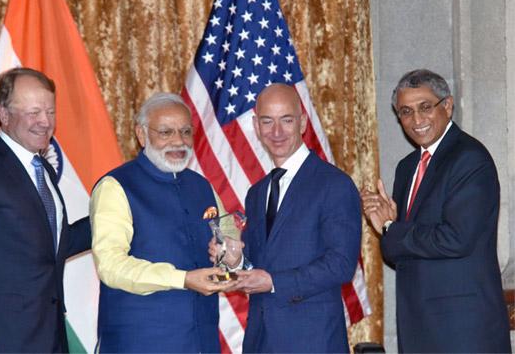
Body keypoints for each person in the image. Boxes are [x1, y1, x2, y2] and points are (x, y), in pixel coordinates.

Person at [361, 69, 511, 353]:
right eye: (406, 111)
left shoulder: (469, 158)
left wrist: (394, 228)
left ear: (448, 106)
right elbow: (394, 253)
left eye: (425, 107)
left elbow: (456, 238)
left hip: (464, 332)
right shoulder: (407, 168)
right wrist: (386, 227)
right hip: (419, 328)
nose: (416, 120)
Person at [0, 68, 91, 353]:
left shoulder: (44, 169)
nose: (45, 122)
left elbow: (54, 246)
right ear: (3, 113)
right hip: (2, 340)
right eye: (33, 112)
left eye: (50, 112)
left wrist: (116, 213)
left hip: (49, 336)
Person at [215, 83, 362, 352]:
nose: (277, 132)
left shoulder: (334, 184)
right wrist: (235, 260)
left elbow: (341, 264)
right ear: (256, 127)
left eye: (287, 120)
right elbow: (259, 266)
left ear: (303, 122)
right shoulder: (257, 193)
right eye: (268, 121)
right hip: (261, 341)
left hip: (313, 342)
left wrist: (273, 283)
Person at [90, 92, 233, 353]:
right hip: (140, 342)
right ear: (142, 135)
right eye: (166, 132)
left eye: (186, 131)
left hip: (201, 342)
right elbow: (110, 266)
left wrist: (232, 255)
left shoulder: (202, 186)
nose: (178, 141)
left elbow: (228, 239)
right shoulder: (116, 186)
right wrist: (182, 279)